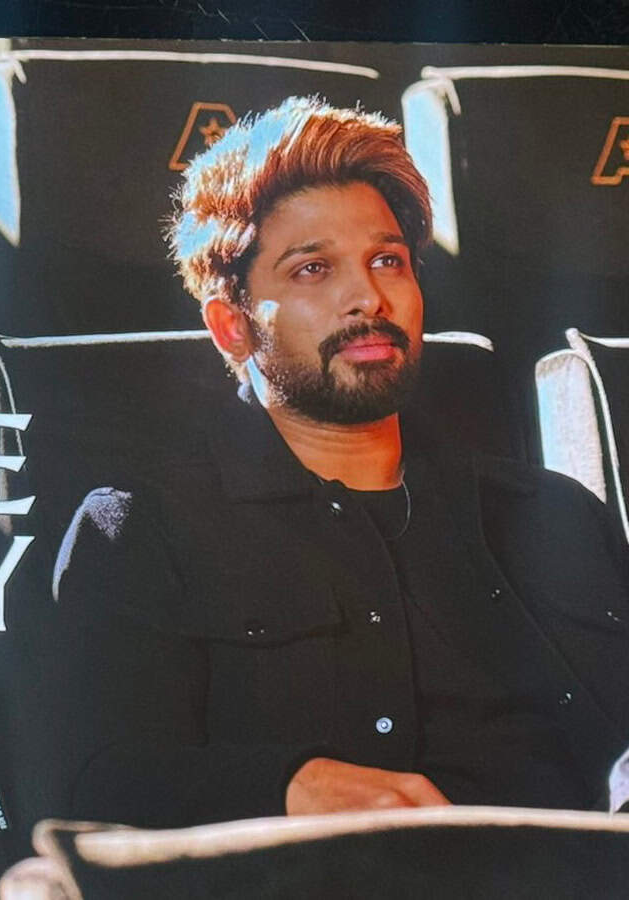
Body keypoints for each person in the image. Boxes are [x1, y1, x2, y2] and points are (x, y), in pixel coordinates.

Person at [51, 96, 629, 826]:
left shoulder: (555, 514)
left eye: (388, 260)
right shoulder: (140, 530)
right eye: (313, 269)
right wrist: (288, 784)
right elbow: (93, 784)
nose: (368, 295)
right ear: (232, 326)